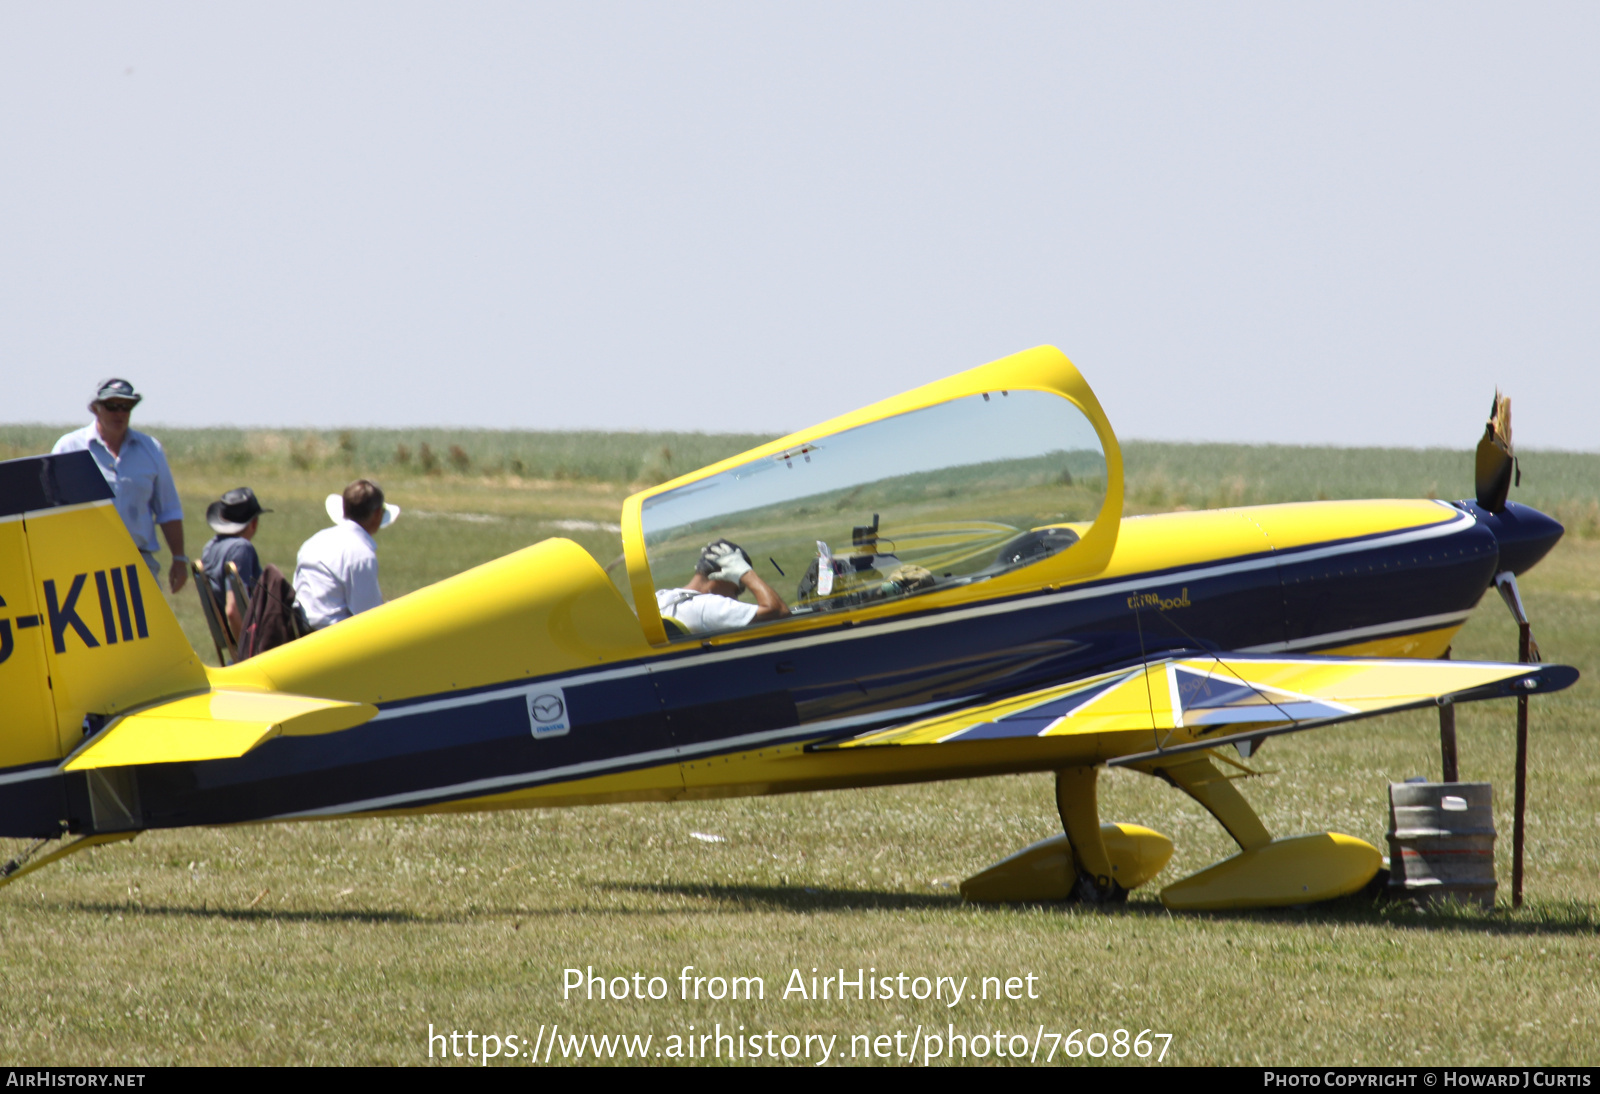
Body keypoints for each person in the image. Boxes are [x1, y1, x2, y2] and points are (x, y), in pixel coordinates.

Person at [52, 378, 188, 591]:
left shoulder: (151, 449)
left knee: (148, 625)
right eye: (112, 406)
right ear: (96, 408)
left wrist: (179, 559)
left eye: (126, 406)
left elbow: (169, 510)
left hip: (139, 562)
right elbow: (49, 511)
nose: (119, 413)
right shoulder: (69, 447)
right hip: (84, 565)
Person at [292, 479, 400, 630]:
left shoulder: (313, 542)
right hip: (335, 639)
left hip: (302, 633)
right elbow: (370, 618)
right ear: (376, 514)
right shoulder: (361, 554)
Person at [655, 539, 789, 635]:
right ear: (722, 575)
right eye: (738, 590)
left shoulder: (661, 598)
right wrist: (745, 573)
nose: (735, 599)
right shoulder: (707, 606)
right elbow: (780, 611)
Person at [200, 487, 271, 639]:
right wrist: (245, 651)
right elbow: (233, 610)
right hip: (253, 639)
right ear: (254, 523)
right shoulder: (241, 548)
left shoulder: (209, 547)